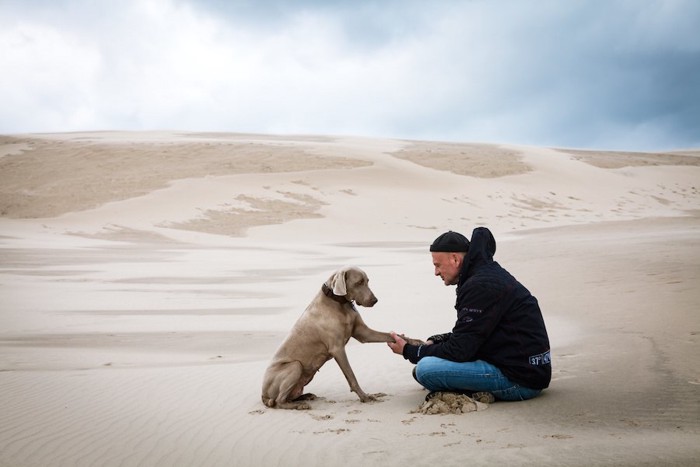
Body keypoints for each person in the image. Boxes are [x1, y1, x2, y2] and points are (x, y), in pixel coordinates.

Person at [387, 227, 551, 401]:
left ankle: (469, 390)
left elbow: (461, 350)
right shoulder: (484, 276)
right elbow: (473, 334)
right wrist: (435, 341)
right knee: (428, 366)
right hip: (526, 370)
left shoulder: (480, 286)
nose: (436, 272)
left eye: (437, 265)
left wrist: (408, 351)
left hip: (520, 381)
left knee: (425, 370)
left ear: (455, 259)